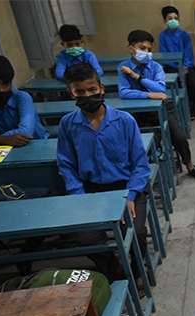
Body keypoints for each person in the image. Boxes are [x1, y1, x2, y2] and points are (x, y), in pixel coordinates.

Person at [57, 63, 150, 289]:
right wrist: (80, 195)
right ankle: (113, 268)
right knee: (86, 240)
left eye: (91, 90)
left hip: (126, 188)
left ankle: (138, 270)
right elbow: (66, 164)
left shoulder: (124, 120)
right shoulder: (68, 124)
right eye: (79, 92)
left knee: (136, 232)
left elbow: (140, 163)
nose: (87, 96)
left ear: (101, 88)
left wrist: (130, 195)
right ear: (71, 93)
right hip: (90, 191)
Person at [118, 30, 195, 181]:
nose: (146, 52)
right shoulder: (123, 67)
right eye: (142, 48)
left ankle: (190, 166)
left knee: (179, 138)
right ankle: (152, 172)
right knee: (149, 142)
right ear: (130, 49)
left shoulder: (155, 67)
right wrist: (149, 95)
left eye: (149, 49)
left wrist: (137, 77)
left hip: (162, 109)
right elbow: (124, 92)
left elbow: (160, 89)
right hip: (140, 113)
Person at [0, 55, 49, 147]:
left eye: (5, 84)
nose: (1, 89)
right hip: (4, 147)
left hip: (36, 143)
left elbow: (26, 131)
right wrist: (1, 139)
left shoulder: (22, 97)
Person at [158, 5, 195, 120]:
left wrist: (185, 67)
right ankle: (184, 109)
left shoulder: (184, 35)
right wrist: (176, 67)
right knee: (176, 84)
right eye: (170, 18)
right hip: (171, 67)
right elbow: (164, 55)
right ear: (165, 21)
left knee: (193, 84)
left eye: (176, 18)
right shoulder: (163, 36)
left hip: (186, 65)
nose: (173, 20)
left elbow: (189, 53)